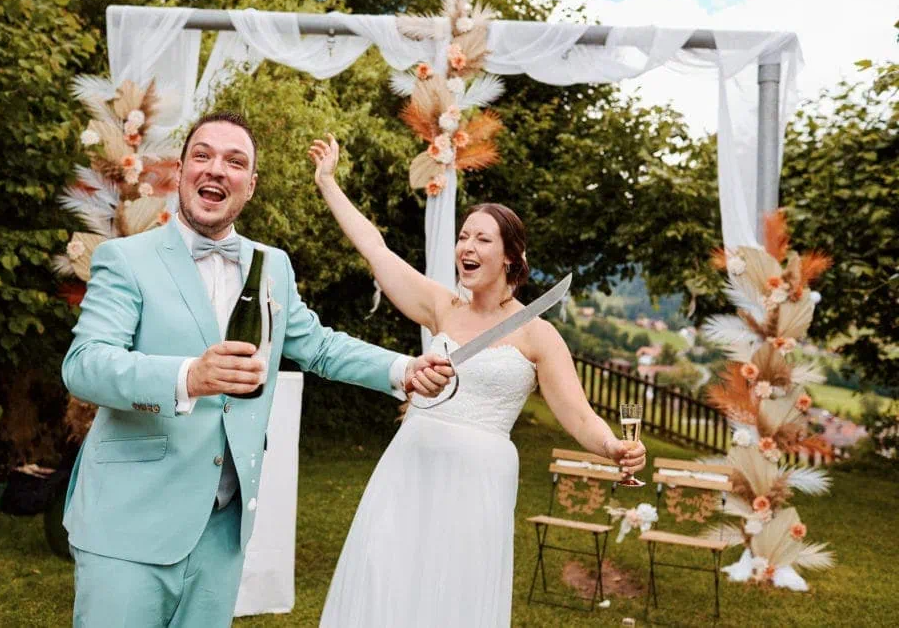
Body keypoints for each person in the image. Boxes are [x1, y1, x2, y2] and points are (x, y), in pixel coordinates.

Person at [60, 112, 454, 628]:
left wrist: (402, 368)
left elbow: (317, 346)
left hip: (222, 530)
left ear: (251, 185)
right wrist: (188, 377)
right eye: (202, 155)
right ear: (179, 171)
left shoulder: (273, 266)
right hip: (128, 524)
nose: (216, 169)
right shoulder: (125, 259)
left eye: (235, 161)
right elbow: (86, 366)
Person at [310, 134, 646, 628]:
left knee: (454, 597)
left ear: (510, 256)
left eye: (481, 239)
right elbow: (375, 250)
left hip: (477, 486)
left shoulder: (539, 335)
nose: (466, 247)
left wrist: (613, 447)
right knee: (388, 579)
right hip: (409, 468)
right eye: (463, 237)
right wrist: (328, 183)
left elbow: (576, 414)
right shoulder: (441, 307)